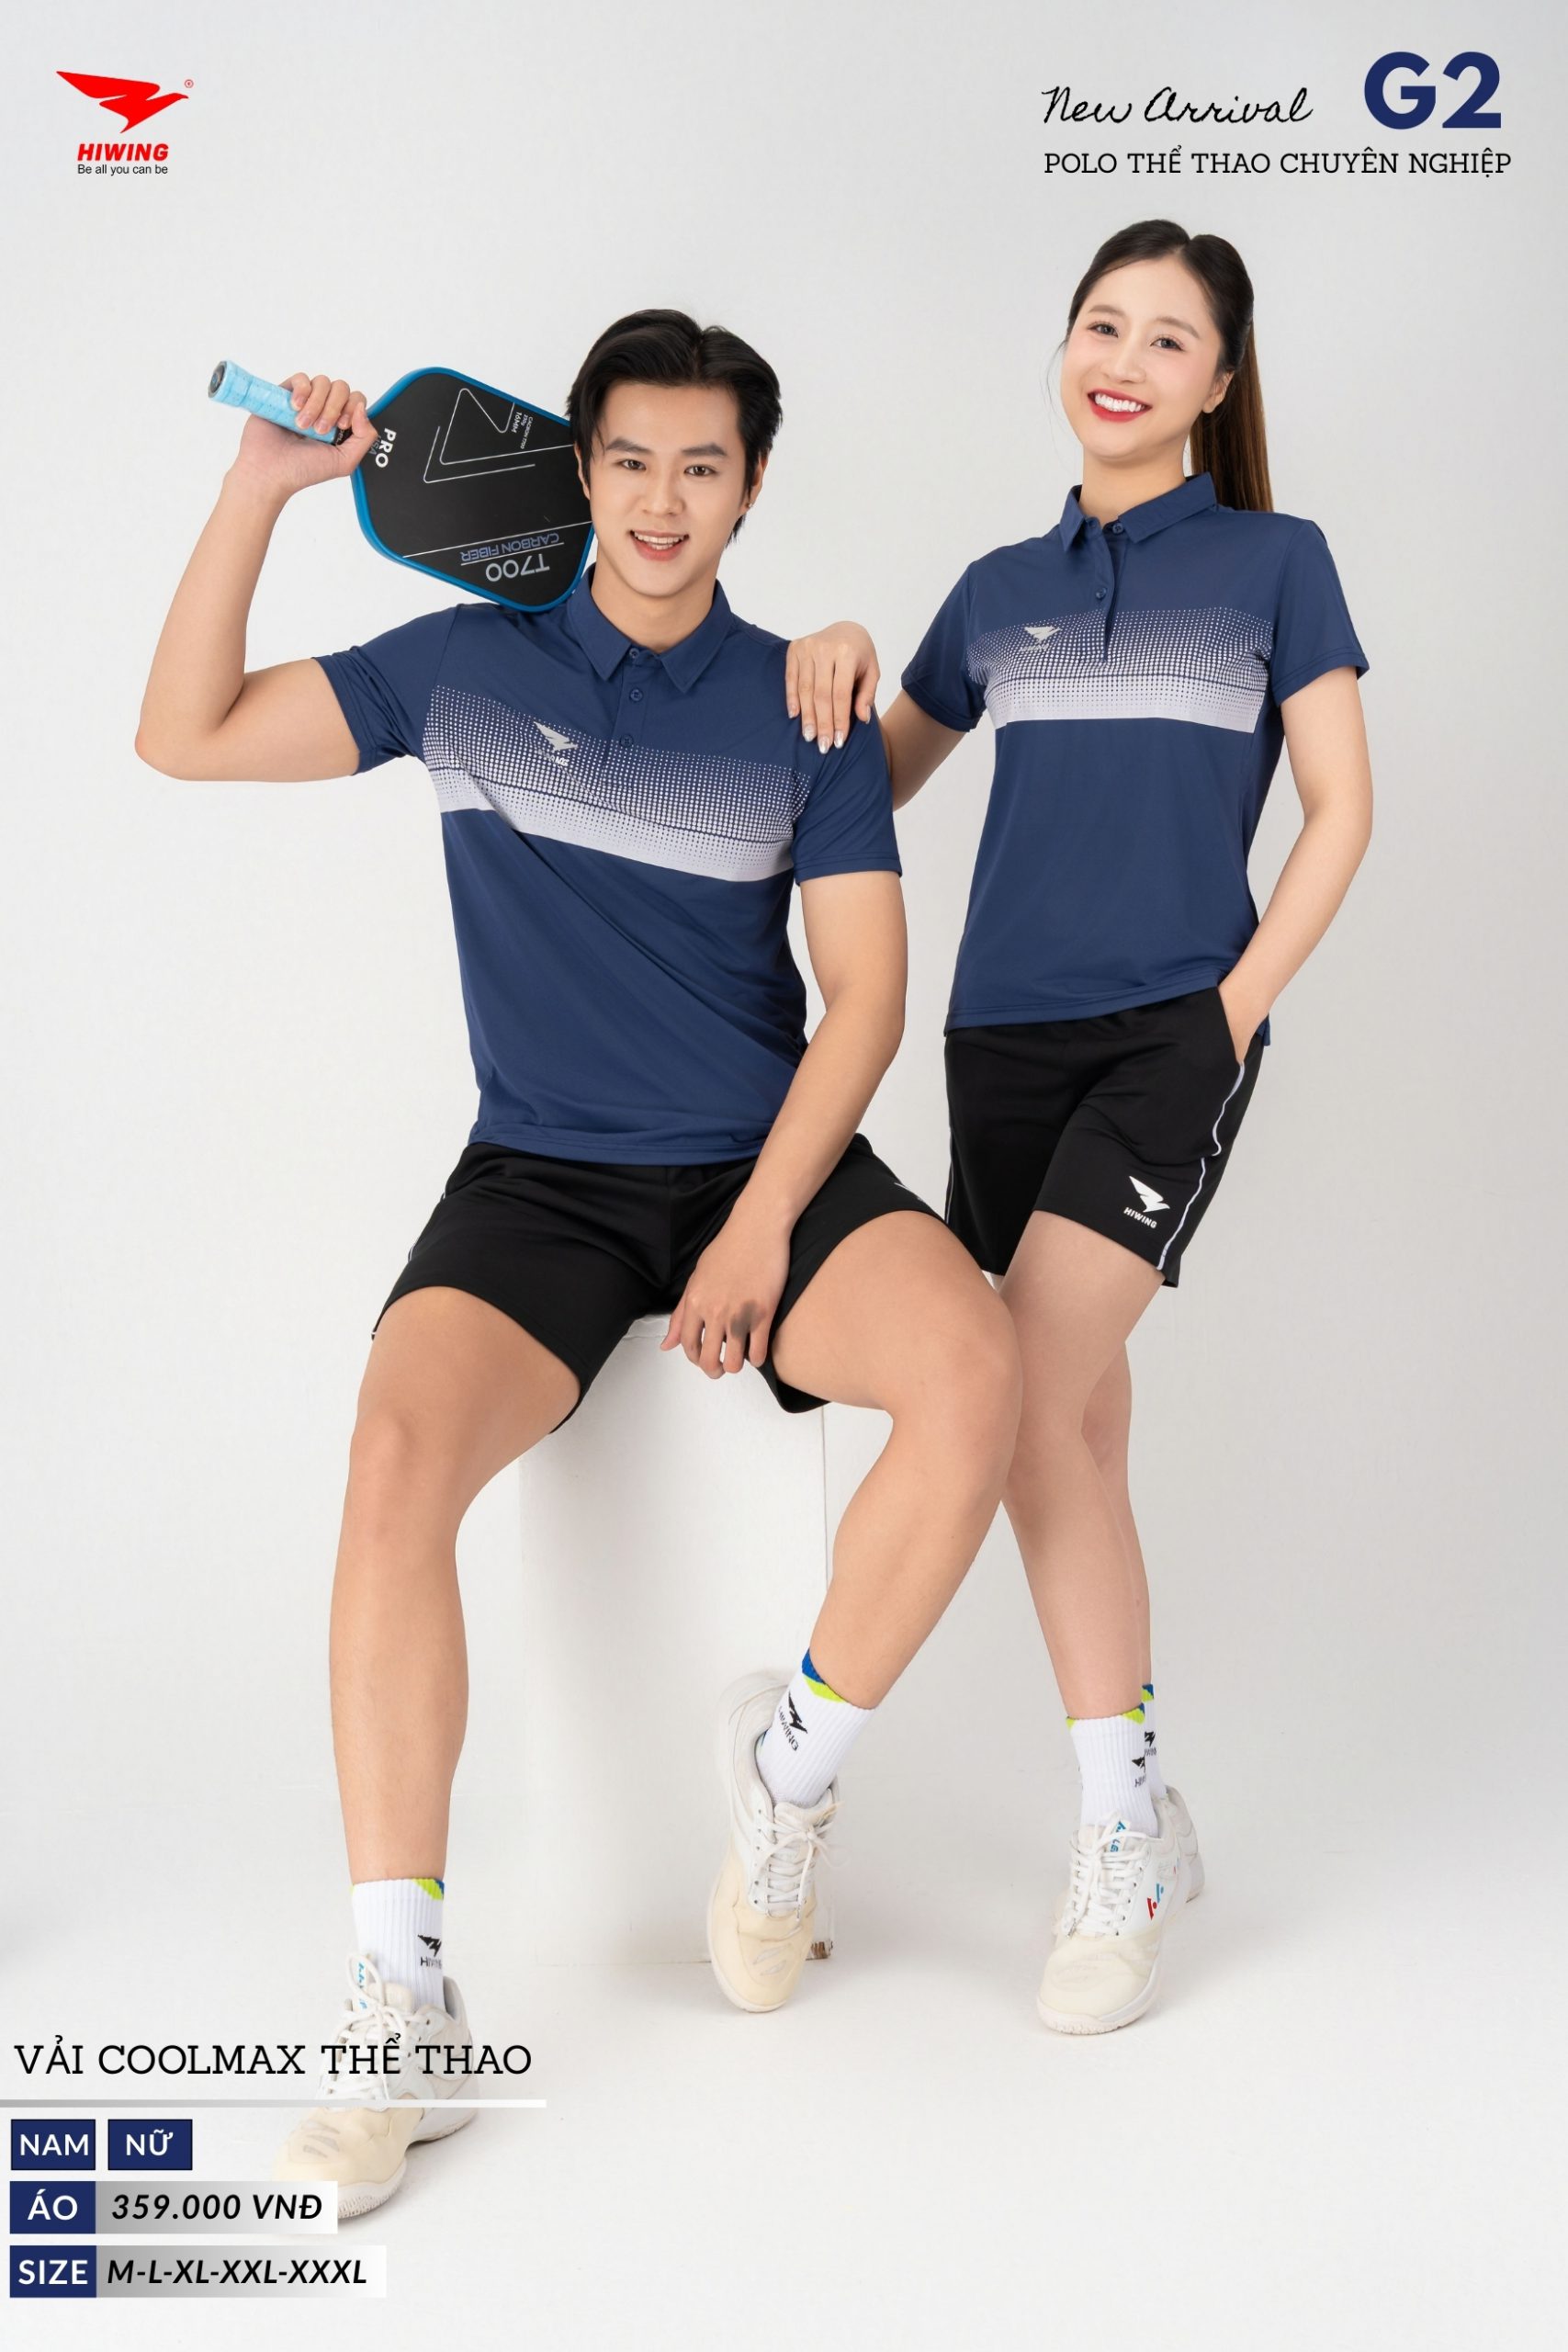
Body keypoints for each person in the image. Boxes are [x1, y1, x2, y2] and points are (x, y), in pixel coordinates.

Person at [136, 310, 1021, 2212]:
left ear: (749, 487)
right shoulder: (463, 664)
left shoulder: (804, 704)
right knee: (394, 1459)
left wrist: (766, 1223)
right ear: (579, 468)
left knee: (975, 1372)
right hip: (539, 1180)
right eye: (629, 461)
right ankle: (403, 2001)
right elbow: (180, 735)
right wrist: (261, 490)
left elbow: (865, 999)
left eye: (703, 466)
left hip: (760, 1165)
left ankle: (786, 1779)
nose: (661, 501)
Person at [784, 220, 1373, 2033]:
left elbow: (1341, 810)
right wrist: (822, 658)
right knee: (1079, 1427)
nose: (1123, 358)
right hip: (1000, 1044)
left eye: (1167, 337)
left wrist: (1229, 1012)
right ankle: (1149, 1815)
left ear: (1217, 382)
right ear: (1066, 350)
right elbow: (861, 784)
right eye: (1100, 324)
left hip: (1169, 1037)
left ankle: (1093, 1828)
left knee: (1030, 1399)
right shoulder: (995, 590)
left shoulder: (1276, 562)